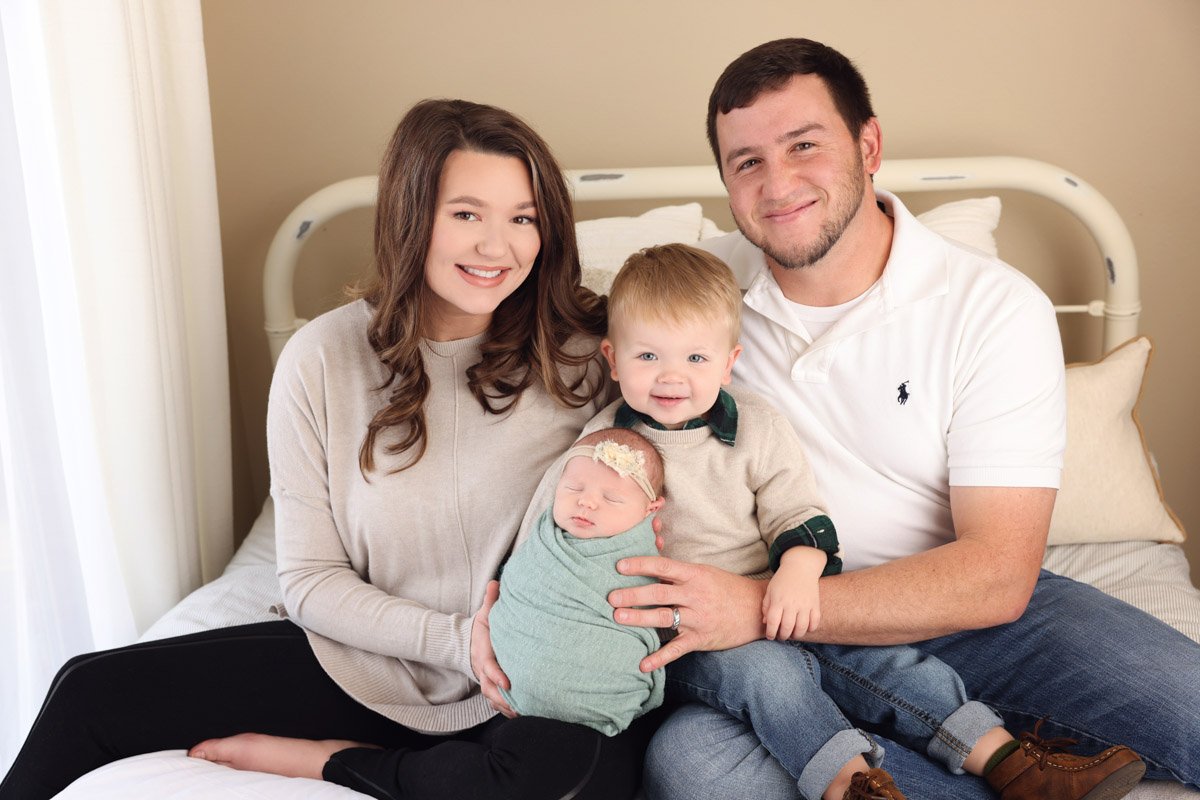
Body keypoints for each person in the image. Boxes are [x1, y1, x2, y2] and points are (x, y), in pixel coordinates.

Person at [594, 39, 1200, 800]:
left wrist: (753, 604)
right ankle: (1005, 771)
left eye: (804, 145)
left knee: (1192, 706)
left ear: (869, 144)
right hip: (766, 634)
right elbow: (550, 362)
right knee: (694, 765)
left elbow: (997, 576)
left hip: (960, 609)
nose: (777, 184)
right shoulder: (694, 303)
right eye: (746, 161)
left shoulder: (990, 304)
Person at [0, 98, 654, 800]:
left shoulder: (595, 354)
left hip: (536, 673)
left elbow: (706, 448)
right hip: (372, 662)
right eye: (466, 214)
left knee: (560, 782)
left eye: (523, 218)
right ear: (411, 216)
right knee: (87, 691)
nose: (498, 248)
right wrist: (459, 639)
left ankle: (334, 762)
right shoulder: (321, 358)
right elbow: (310, 579)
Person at [557, 243, 1143, 800]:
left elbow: (796, 511)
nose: (671, 377)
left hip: (767, 598)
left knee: (884, 663)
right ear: (612, 358)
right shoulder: (608, 447)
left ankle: (1010, 762)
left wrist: (798, 570)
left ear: (730, 362)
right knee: (770, 678)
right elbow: (557, 530)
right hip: (683, 630)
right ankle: (852, 784)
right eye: (648, 355)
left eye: (695, 357)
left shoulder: (757, 427)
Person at [489, 427, 667, 736]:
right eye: (573, 488)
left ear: (649, 510)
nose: (586, 503)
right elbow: (519, 583)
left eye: (611, 498)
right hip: (502, 687)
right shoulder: (544, 538)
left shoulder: (636, 559)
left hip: (598, 700)